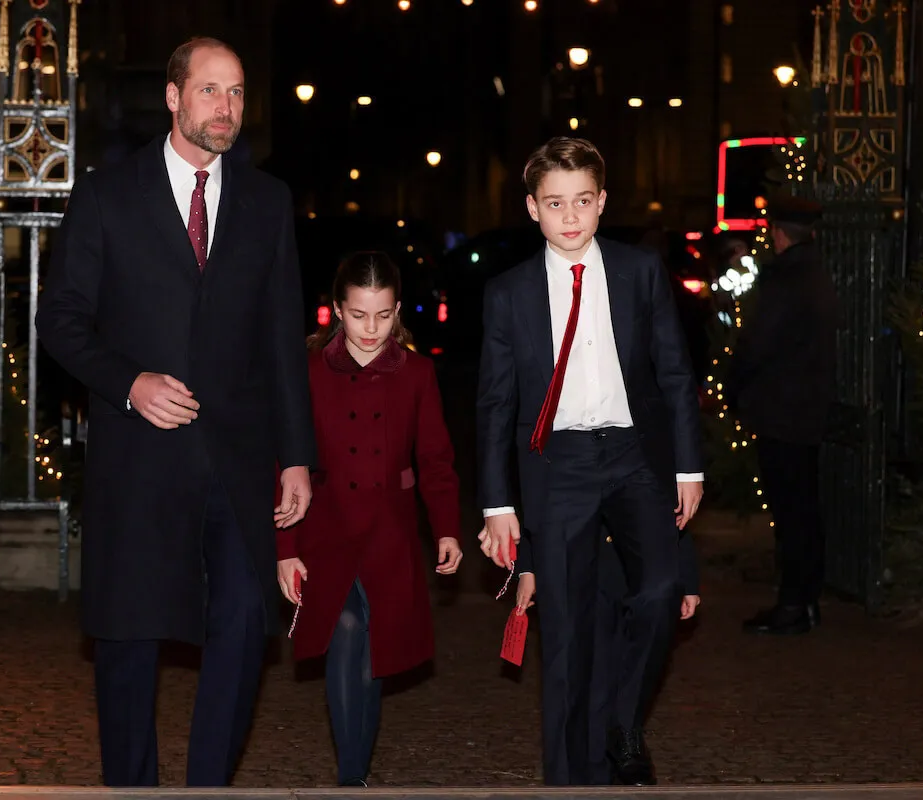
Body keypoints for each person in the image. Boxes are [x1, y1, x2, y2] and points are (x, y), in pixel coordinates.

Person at [35, 37, 316, 787]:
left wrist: (296, 454)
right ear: (173, 96)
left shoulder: (268, 200)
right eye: (209, 90)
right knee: (128, 636)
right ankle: (133, 787)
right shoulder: (106, 194)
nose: (225, 107)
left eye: (236, 93)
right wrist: (129, 383)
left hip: (238, 455)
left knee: (242, 624)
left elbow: (283, 338)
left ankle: (208, 786)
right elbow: (59, 320)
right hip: (139, 454)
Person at [475, 136, 704, 786]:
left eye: (581, 201)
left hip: (633, 456)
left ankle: (621, 721)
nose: (569, 216)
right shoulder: (508, 293)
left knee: (661, 591)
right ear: (532, 208)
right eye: (555, 203)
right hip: (561, 465)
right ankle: (569, 782)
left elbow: (674, 373)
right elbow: (493, 404)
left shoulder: (638, 272)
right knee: (568, 634)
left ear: (602, 202)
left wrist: (689, 467)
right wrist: (497, 504)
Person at [276, 252, 463, 788]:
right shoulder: (308, 373)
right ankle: (351, 777)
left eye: (382, 315)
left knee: (374, 641)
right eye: (359, 314)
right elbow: (284, 462)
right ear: (337, 309)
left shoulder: (418, 373)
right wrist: (285, 549)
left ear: (397, 309)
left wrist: (446, 527)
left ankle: (352, 776)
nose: (371, 328)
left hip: (390, 534)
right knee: (345, 626)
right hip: (326, 529)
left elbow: (436, 459)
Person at [728, 194, 838, 635]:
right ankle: (806, 598)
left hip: (781, 411)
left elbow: (758, 344)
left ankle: (793, 602)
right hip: (807, 409)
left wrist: (735, 388)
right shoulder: (817, 276)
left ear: (777, 233)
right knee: (804, 509)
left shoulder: (785, 281)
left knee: (790, 512)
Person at [513, 533, 702, 785]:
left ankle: (623, 737)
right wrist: (528, 567)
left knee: (639, 658)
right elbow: (541, 501)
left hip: (644, 565)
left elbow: (672, 511)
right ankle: (599, 770)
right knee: (596, 672)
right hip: (585, 563)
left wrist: (686, 577)